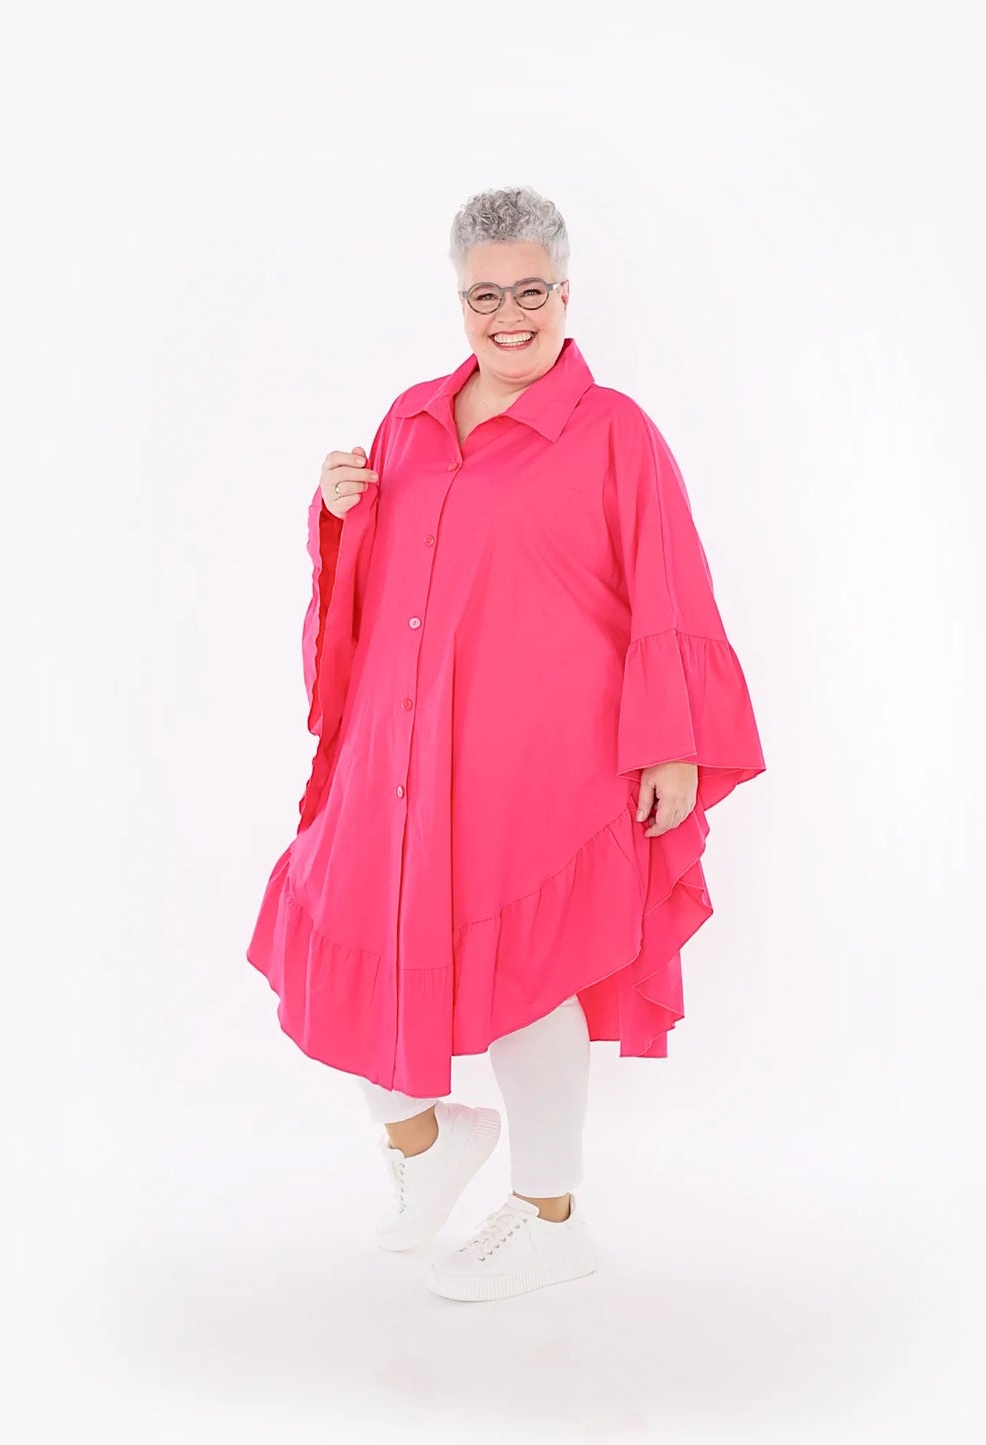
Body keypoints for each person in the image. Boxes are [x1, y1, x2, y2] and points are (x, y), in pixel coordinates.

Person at [246, 185, 766, 1302]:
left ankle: (549, 1215)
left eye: (530, 292)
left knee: (533, 973)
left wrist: (672, 743)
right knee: (329, 925)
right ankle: (430, 1142)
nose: (508, 316)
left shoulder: (613, 431)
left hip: (543, 759)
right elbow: (381, 583)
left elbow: (669, 580)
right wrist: (337, 512)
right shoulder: (411, 420)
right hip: (401, 756)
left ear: (565, 295)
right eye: (485, 296)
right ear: (461, 302)